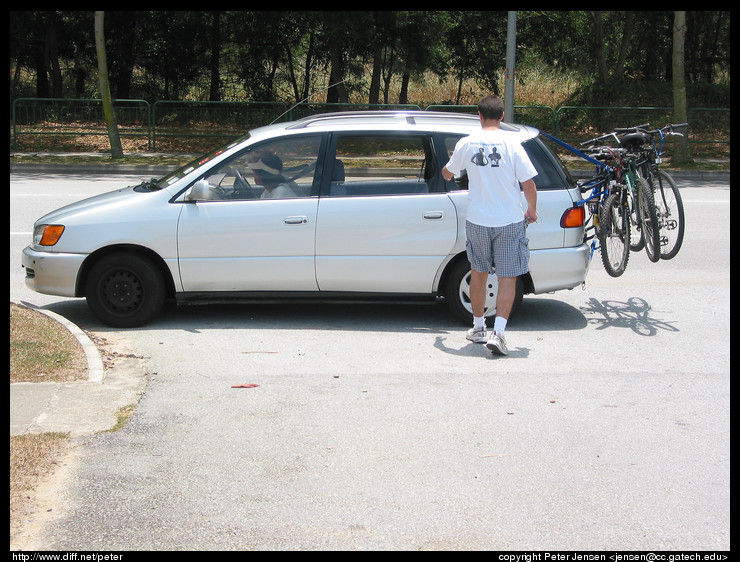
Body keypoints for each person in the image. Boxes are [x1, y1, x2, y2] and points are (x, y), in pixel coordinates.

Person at [441, 95, 538, 356]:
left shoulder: (467, 142)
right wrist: (532, 208)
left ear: (480, 116)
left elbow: (448, 173)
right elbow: (528, 183)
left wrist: (447, 171)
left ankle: (478, 327)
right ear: (502, 116)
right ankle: (500, 333)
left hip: (478, 220)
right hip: (509, 220)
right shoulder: (513, 143)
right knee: (508, 277)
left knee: (479, 273)